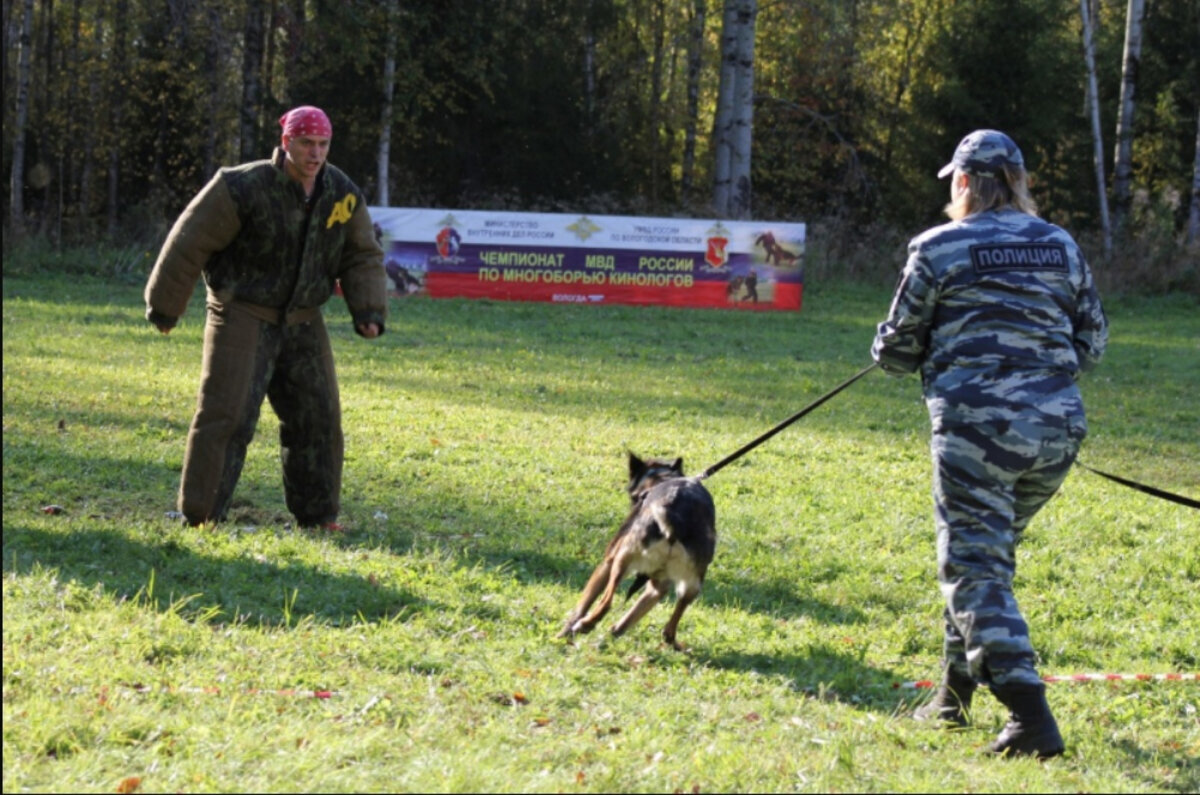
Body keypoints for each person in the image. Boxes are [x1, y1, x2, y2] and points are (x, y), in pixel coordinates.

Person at [871, 129, 1108, 758]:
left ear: (966, 182)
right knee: (983, 558)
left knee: (975, 567)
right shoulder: (1060, 244)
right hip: (1057, 433)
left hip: (976, 433)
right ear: (1019, 182)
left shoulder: (939, 246)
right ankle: (952, 697)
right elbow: (1093, 342)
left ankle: (1030, 718)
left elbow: (895, 350)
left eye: (955, 179)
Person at [144, 105, 388, 530]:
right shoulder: (240, 186)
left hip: (304, 319)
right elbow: (188, 241)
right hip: (241, 311)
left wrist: (368, 310)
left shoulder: (342, 193)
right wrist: (166, 307)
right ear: (286, 142)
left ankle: (319, 516)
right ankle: (201, 515)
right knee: (227, 415)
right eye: (306, 143)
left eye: (323, 145)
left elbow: (361, 253)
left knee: (320, 418)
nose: (315, 153)